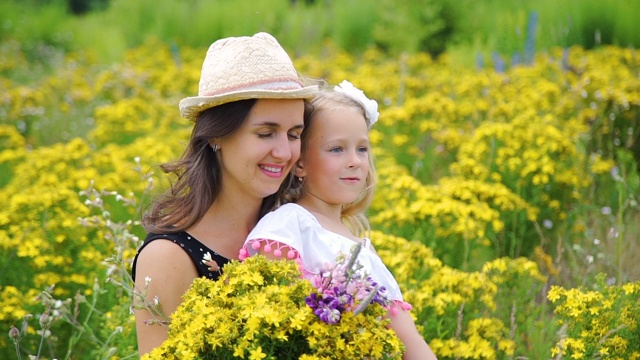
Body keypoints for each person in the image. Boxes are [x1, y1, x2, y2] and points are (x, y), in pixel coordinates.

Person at [131, 32, 318, 355]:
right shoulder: (168, 257)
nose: (284, 152)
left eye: (294, 134)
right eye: (265, 133)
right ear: (216, 136)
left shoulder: (295, 224)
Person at [239, 81, 438, 360]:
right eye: (336, 149)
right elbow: (274, 317)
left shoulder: (363, 249)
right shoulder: (289, 224)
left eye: (362, 149)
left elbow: (409, 342)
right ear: (300, 164)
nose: (355, 161)